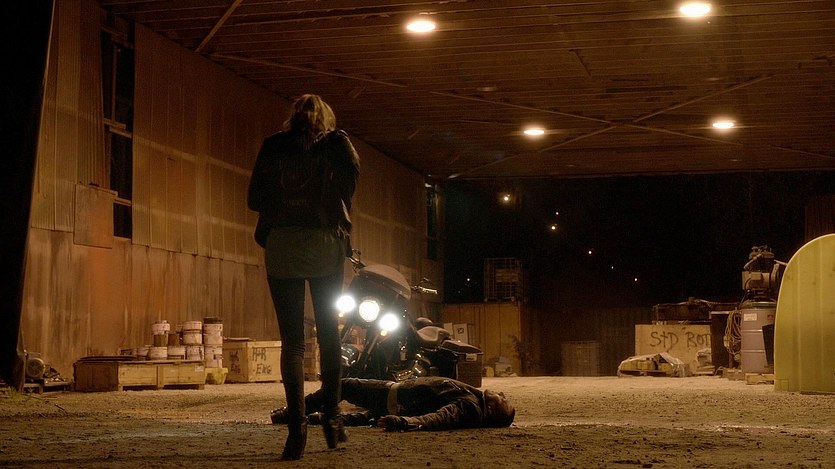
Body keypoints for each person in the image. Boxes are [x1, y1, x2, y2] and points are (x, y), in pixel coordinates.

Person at [247, 94, 360, 460]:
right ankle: (332, 418)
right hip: (324, 245)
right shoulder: (335, 145)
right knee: (329, 334)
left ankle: (296, 430)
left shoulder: (273, 146)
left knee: (293, 343)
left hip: (283, 246)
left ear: (292, 118)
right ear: (325, 119)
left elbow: (254, 199)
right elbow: (350, 182)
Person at [271, 377, 516, 432]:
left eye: (503, 400)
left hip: (393, 397)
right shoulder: (473, 396)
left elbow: (442, 417)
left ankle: (292, 413)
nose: (503, 394)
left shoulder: (470, 406)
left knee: (343, 385)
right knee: (361, 418)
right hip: (395, 399)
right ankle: (311, 418)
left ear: (491, 409)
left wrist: (405, 423)